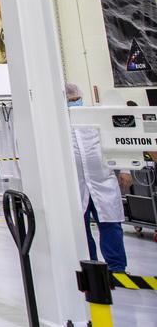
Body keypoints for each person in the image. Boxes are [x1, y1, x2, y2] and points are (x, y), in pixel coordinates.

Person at [66, 83, 128, 273]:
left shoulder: (96, 116)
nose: (74, 102)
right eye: (71, 100)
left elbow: (118, 142)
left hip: (103, 181)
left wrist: (125, 169)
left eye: (76, 99)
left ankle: (117, 268)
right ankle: (90, 266)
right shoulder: (60, 120)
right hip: (75, 185)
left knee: (110, 226)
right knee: (80, 229)